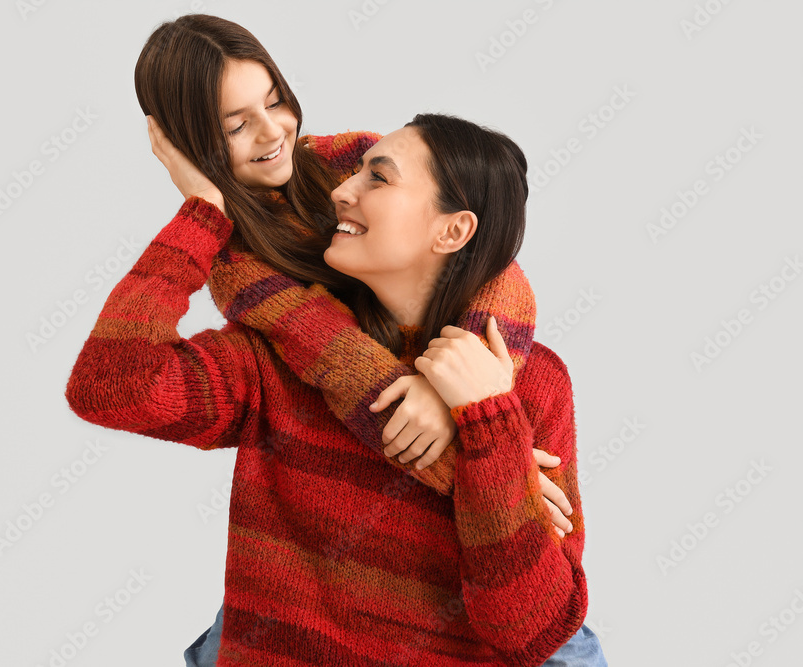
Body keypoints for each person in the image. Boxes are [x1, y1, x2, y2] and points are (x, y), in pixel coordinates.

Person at [117, 14, 606, 665]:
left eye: (275, 101)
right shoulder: (247, 290)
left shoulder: (345, 161)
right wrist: (202, 211)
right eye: (234, 125)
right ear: (186, 146)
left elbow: (489, 252)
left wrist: (466, 397)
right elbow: (121, 385)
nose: (272, 133)